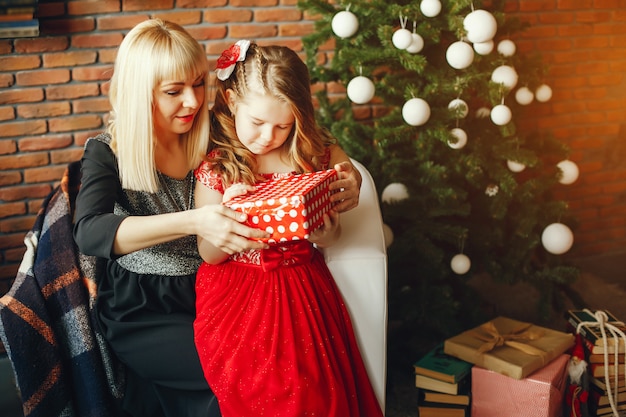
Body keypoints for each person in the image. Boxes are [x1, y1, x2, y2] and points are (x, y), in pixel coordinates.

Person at [73, 20, 362, 417]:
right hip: (144, 306)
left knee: (281, 377)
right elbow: (89, 233)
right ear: (140, 94)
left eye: (198, 84)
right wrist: (195, 220)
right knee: (233, 388)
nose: (192, 103)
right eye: (174, 91)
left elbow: (305, 135)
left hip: (214, 292)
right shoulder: (107, 151)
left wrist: (353, 176)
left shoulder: (215, 127)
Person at [192, 40, 383, 416]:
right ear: (231, 102)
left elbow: (333, 236)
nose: (268, 136)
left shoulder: (311, 154)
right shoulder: (218, 167)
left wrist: (324, 231)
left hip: (302, 284)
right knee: (259, 389)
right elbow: (207, 253)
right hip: (236, 293)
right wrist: (227, 216)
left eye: (283, 125)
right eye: (258, 123)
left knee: (310, 389)